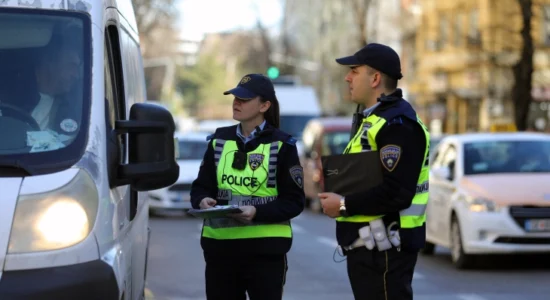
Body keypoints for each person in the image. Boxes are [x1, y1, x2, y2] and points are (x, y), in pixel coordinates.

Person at [318, 43, 430, 300]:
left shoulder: (398, 124)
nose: (347, 77)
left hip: (385, 249)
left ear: (376, 78)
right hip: (372, 247)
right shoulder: (375, 119)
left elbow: (397, 192)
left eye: (354, 71)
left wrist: (343, 204)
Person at [190, 73, 305, 300]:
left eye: (244, 99)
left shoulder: (283, 145)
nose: (236, 102)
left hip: (265, 255)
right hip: (220, 254)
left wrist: (257, 212)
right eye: (235, 97)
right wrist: (202, 200)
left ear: (264, 105)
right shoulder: (219, 140)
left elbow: (294, 202)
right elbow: (200, 187)